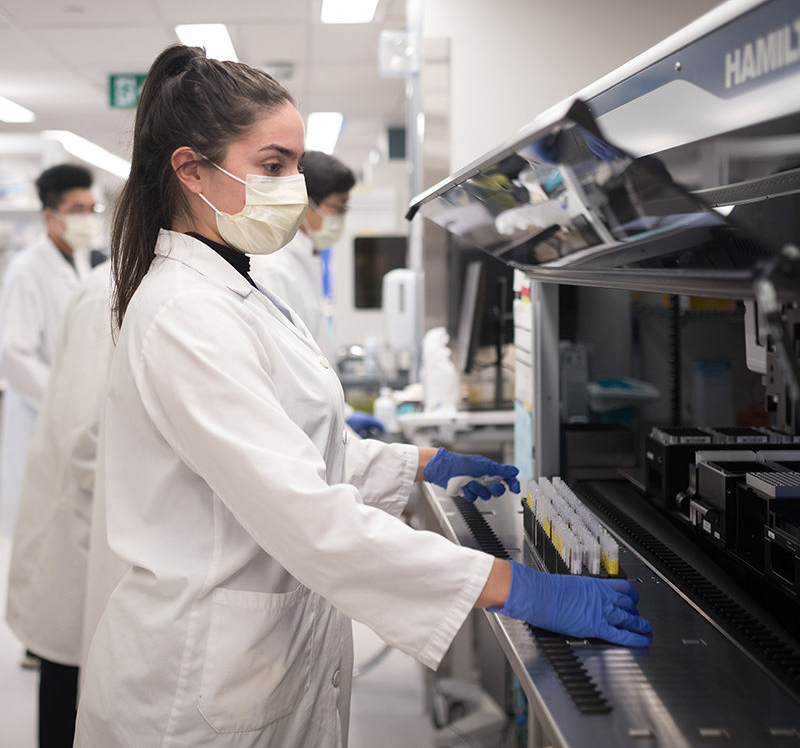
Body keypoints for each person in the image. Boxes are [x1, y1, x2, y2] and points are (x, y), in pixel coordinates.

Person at [75, 44, 650, 748]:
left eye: (294, 162)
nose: (294, 184)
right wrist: (516, 586)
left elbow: (296, 452)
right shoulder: (186, 312)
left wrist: (418, 462)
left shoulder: (232, 288)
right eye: (273, 165)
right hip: (193, 689)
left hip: (249, 656)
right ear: (192, 170)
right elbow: (307, 514)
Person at [5, 262, 113, 748]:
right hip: (82, 517)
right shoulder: (105, 293)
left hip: (89, 511)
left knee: (78, 668)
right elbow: (84, 436)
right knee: (67, 674)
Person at [249, 151, 382, 438]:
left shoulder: (306, 260)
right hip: (301, 430)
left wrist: (345, 416)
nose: (340, 218)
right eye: (338, 208)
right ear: (306, 204)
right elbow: (290, 379)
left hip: (319, 422)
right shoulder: (275, 269)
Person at [0, 164, 101, 539]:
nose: (88, 219)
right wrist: (65, 401)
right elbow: (15, 354)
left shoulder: (78, 260)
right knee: (36, 530)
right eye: (77, 210)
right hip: (38, 417)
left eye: (92, 209)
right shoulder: (26, 270)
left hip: (71, 416)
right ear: (50, 215)